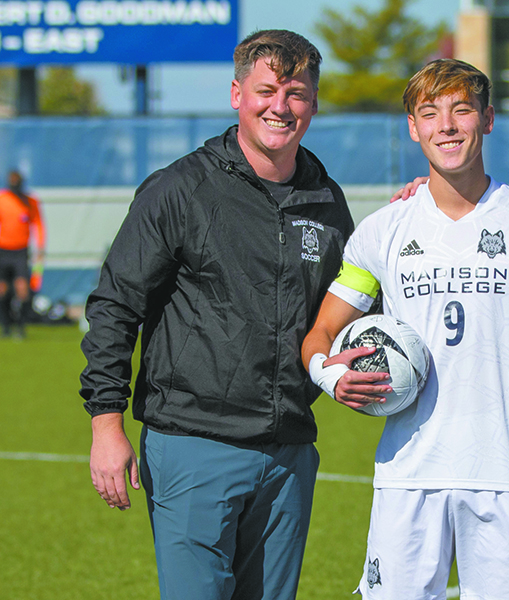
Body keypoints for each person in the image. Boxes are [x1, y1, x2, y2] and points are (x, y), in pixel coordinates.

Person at [79, 30, 354, 600]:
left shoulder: (326, 198)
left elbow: (346, 307)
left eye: (297, 93)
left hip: (289, 452)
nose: (281, 106)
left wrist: (412, 212)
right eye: (267, 90)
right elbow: (115, 305)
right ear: (236, 94)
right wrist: (106, 422)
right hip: (193, 444)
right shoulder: (179, 189)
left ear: (314, 103)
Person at [302, 59, 509, 599]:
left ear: (487, 119)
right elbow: (321, 332)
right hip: (408, 475)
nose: (446, 126)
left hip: (508, 474)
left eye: (461, 110)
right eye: (430, 114)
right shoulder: (382, 231)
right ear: (413, 127)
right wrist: (327, 376)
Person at [0, 170, 45, 338]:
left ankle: (20, 326)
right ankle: (5, 325)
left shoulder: (30, 201)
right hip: (3, 249)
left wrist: (40, 247)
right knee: (2, 289)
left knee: (22, 289)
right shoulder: (3, 199)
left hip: (20, 251)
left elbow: (38, 224)